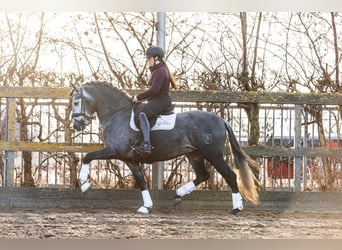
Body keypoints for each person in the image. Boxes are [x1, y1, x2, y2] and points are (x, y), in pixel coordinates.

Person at [132, 45, 177, 154]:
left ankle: (146, 144)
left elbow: (154, 90)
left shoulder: (161, 71)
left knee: (141, 114)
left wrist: (138, 97)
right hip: (158, 100)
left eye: (149, 58)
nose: (147, 61)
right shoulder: (158, 70)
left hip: (162, 101)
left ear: (156, 58)